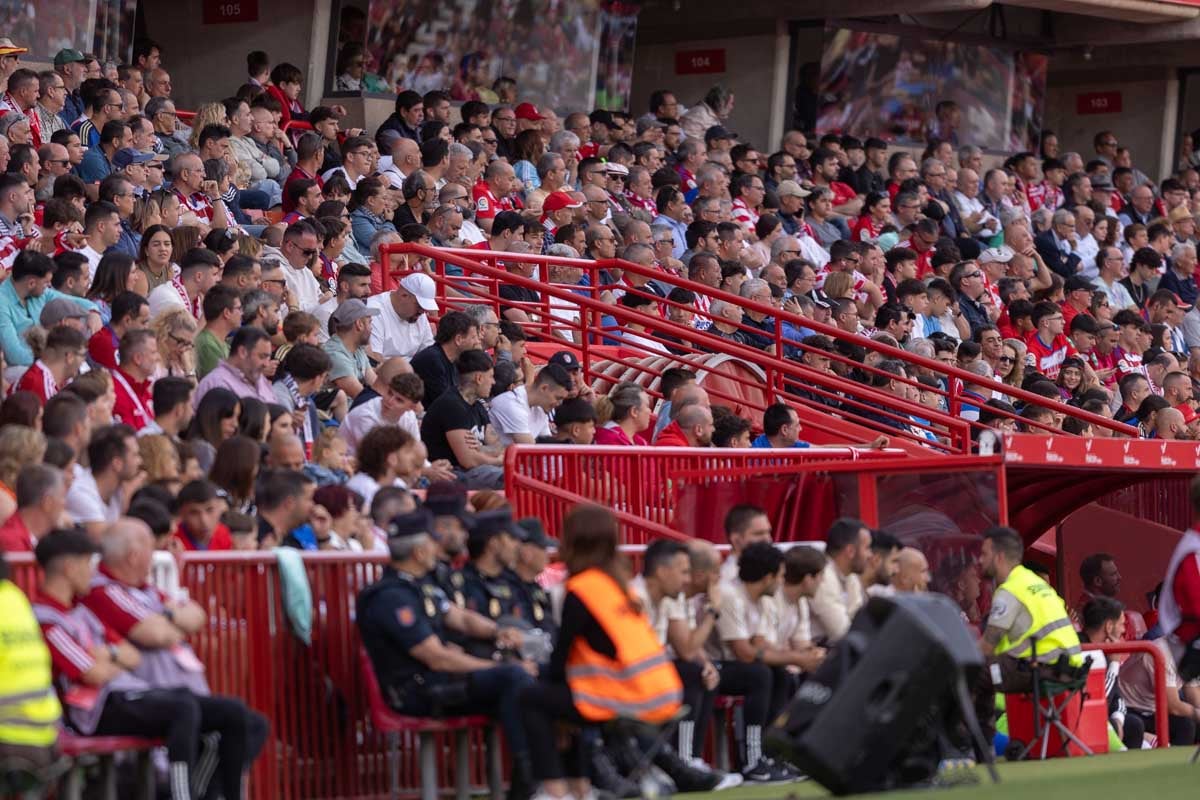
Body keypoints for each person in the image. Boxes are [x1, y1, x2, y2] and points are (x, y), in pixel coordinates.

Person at [357, 507, 537, 799]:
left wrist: (497, 631)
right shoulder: (391, 597)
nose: (436, 546)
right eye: (431, 541)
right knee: (514, 677)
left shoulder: (421, 587)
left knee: (527, 681)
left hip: (441, 683)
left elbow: (462, 618)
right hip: (418, 692)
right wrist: (493, 667)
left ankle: (537, 780)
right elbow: (436, 657)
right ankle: (529, 782)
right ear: (417, 552)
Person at [81, 518, 268, 798]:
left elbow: (197, 615)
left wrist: (169, 617)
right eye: (150, 548)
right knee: (195, 714)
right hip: (146, 694)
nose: (156, 556)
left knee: (248, 721)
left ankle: (213, 794)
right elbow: (155, 634)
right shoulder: (103, 590)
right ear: (133, 556)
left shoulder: (146, 589)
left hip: (179, 692)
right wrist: (173, 621)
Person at [520, 504, 685, 800]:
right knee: (566, 700)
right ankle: (581, 788)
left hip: (626, 697)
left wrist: (542, 676)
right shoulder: (621, 586)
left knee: (532, 698)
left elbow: (561, 659)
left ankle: (555, 790)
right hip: (662, 693)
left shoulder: (583, 589)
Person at [979, 526, 1082, 692]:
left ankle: (985, 718)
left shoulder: (1010, 590)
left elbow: (988, 644)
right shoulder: (1035, 582)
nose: (980, 560)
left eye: (984, 554)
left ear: (999, 558)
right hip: (1070, 666)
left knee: (973, 670)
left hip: (1044, 668)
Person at [420, 349, 505, 489]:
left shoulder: (478, 406)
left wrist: (481, 448)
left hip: (479, 470)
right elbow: (468, 460)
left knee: (526, 474)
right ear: (479, 378)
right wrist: (498, 460)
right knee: (510, 479)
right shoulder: (451, 406)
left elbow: (499, 446)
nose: (494, 382)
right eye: (491, 376)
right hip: (454, 474)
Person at [1079, 596, 1145, 751]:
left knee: (1133, 724)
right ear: (1109, 626)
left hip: (1105, 718)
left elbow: (1117, 696)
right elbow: (1096, 700)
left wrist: (1118, 719)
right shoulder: (1082, 650)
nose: (1123, 630)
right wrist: (1114, 664)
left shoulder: (1105, 648)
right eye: (1122, 624)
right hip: (1082, 720)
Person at [65, 423, 142, 538]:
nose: (140, 461)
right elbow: (110, 542)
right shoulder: (81, 493)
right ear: (117, 463)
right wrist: (127, 502)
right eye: (135, 455)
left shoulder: (118, 490)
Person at [808, 517, 870, 644]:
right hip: (816, 651)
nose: (870, 555)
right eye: (867, 548)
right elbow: (840, 633)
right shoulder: (822, 575)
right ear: (850, 551)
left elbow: (858, 618)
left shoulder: (850, 575)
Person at [194, 326, 277, 408]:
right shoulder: (216, 384)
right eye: (262, 356)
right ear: (243, 352)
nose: (266, 364)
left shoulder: (261, 380)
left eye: (268, 357)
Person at [366, 272, 438, 359]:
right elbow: (374, 357)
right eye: (420, 306)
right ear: (404, 295)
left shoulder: (418, 314)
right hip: (384, 369)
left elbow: (429, 351)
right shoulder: (374, 309)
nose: (422, 311)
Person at [0, 463, 65, 552]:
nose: (64, 504)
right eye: (62, 496)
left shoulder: (44, 539)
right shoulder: (10, 543)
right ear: (47, 503)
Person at [111, 329, 159, 431]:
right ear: (138, 358)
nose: (158, 358)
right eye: (153, 352)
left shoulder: (143, 389)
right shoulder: (113, 393)